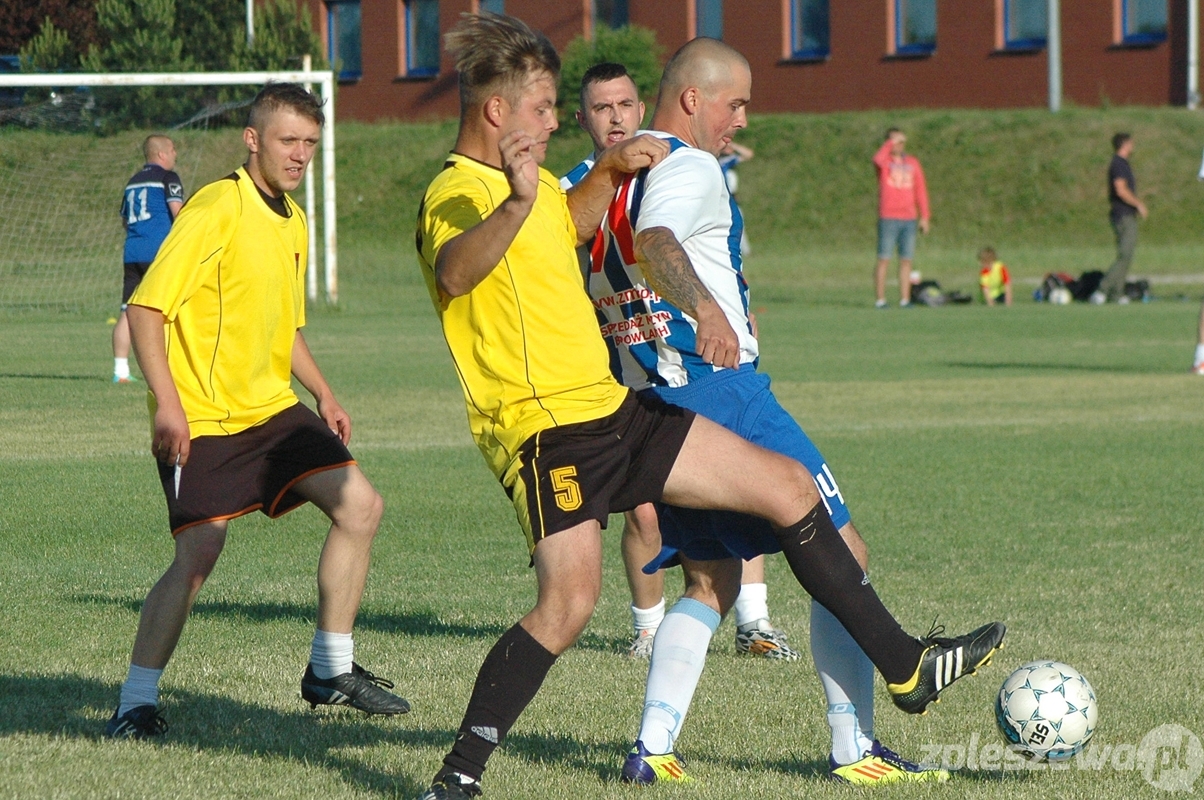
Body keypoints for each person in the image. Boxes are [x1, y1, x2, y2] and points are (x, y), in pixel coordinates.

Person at [415, 13, 1004, 799]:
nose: (557, 121)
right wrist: (527, 205)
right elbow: (456, 271)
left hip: (619, 408)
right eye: (544, 106)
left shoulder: (546, 185)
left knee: (785, 492)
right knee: (568, 605)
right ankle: (457, 777)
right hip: (547, 429)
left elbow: (570, 223)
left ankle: (906, 667)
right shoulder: (460, 190)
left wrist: (607, 169)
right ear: (498, 111)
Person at [591, 37, 948, 786]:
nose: (743, 121)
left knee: (712, 582)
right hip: (721, 388)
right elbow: (657, 241)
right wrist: (708, 310)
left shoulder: (604, 178)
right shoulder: (688, 166)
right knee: (844, 553)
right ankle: (855, 748)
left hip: (653, 400)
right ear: (693, 99)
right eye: (736, 104)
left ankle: (652, 747)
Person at [105, 83, 409, 740]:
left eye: (309, 143)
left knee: (361, 506)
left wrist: (324, 392)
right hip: (205, 417)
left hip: (273, 410)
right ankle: (134, 704)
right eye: (287, 140)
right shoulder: (216, 206)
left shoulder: (294, 220)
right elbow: (147, 308)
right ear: (253, 140)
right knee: (198, 554)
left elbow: (284, 326)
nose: (299, 154)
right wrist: (168, 406)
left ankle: (330, 668)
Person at [561, 61, 797, 662]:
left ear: (642, 109)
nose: (615, 118)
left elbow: (707, 247)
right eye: (601, 108)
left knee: (747, 482)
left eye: (625, 105)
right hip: (625, 371)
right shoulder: (574, 191)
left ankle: (755, 621)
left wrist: (732, 306)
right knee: (645, 511)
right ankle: (648, 628)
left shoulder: (672, 165)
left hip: (699, 360)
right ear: (582, 118)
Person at [114, 135, 184, 383]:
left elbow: (125, 220)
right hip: (158, 253)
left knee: (128, 311)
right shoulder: (168, 178)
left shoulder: (132, 181)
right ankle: (171, 368)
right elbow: (179, 214)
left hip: (132, 252)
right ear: (161, 154)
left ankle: (120, 371)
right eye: (173, 149)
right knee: (168, 309)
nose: (175, 154)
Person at [873, 128, 930, 308]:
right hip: (889, 216)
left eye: (901, 142)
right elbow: (877, 159)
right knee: (884, 258)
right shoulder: (885, 163)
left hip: (909, 217)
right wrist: (890, 143)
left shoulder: (912, 163)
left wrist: (925, 216)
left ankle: (905, 299)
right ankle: (880, 299)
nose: (899, 145)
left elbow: (920, 189)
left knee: (906, 260)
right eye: (895, 142)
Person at [1096, 132, 1147, 304]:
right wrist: (1138, 204)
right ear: (1124, 144)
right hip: (1123, 215)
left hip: (1127, 214)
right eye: (1130, 143)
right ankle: (1102, 289)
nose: (1133, 146)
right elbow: (1121, 189)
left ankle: (1116, 293)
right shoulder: (1118, 164)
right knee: (1125, 255)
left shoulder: (1123, 163)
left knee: (1127, 255)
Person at [717, 139, 753, 256]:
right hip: (722, 198)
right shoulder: (722, 161)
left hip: (729, 198)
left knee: (736, 224)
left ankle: (743, 251)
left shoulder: (726, 161)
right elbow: (748, 154)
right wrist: (731, 145)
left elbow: (748, 154)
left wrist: (732, 145)